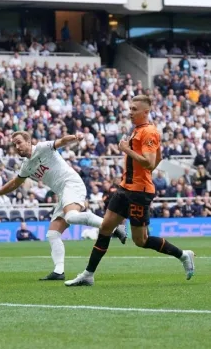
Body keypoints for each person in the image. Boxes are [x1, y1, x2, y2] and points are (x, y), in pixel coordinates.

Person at [65, 95, 195, 287]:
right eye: (130, 108)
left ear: (145, 112)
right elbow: (156, 159)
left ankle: (183, 255)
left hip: (139, 193)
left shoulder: (149, 132)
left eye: (134, 109)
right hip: (124, 189)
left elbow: (150, 162)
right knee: (106, 228)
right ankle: (88, 274)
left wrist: (126, 150)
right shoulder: (138, 131)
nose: (130, 112)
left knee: (141, 240)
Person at [0, 131, 126, 281]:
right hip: (63, 193)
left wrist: (75, 138)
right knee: (53, 234)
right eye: (14, 144)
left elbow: (61, 141)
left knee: (71, 217)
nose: (16, 147)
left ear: (29, 142)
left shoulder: (42, 148)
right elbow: (14, 184)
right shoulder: (26, 166)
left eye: (19, 142)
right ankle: (58, 271)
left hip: (71, 184)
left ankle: (114, 227)